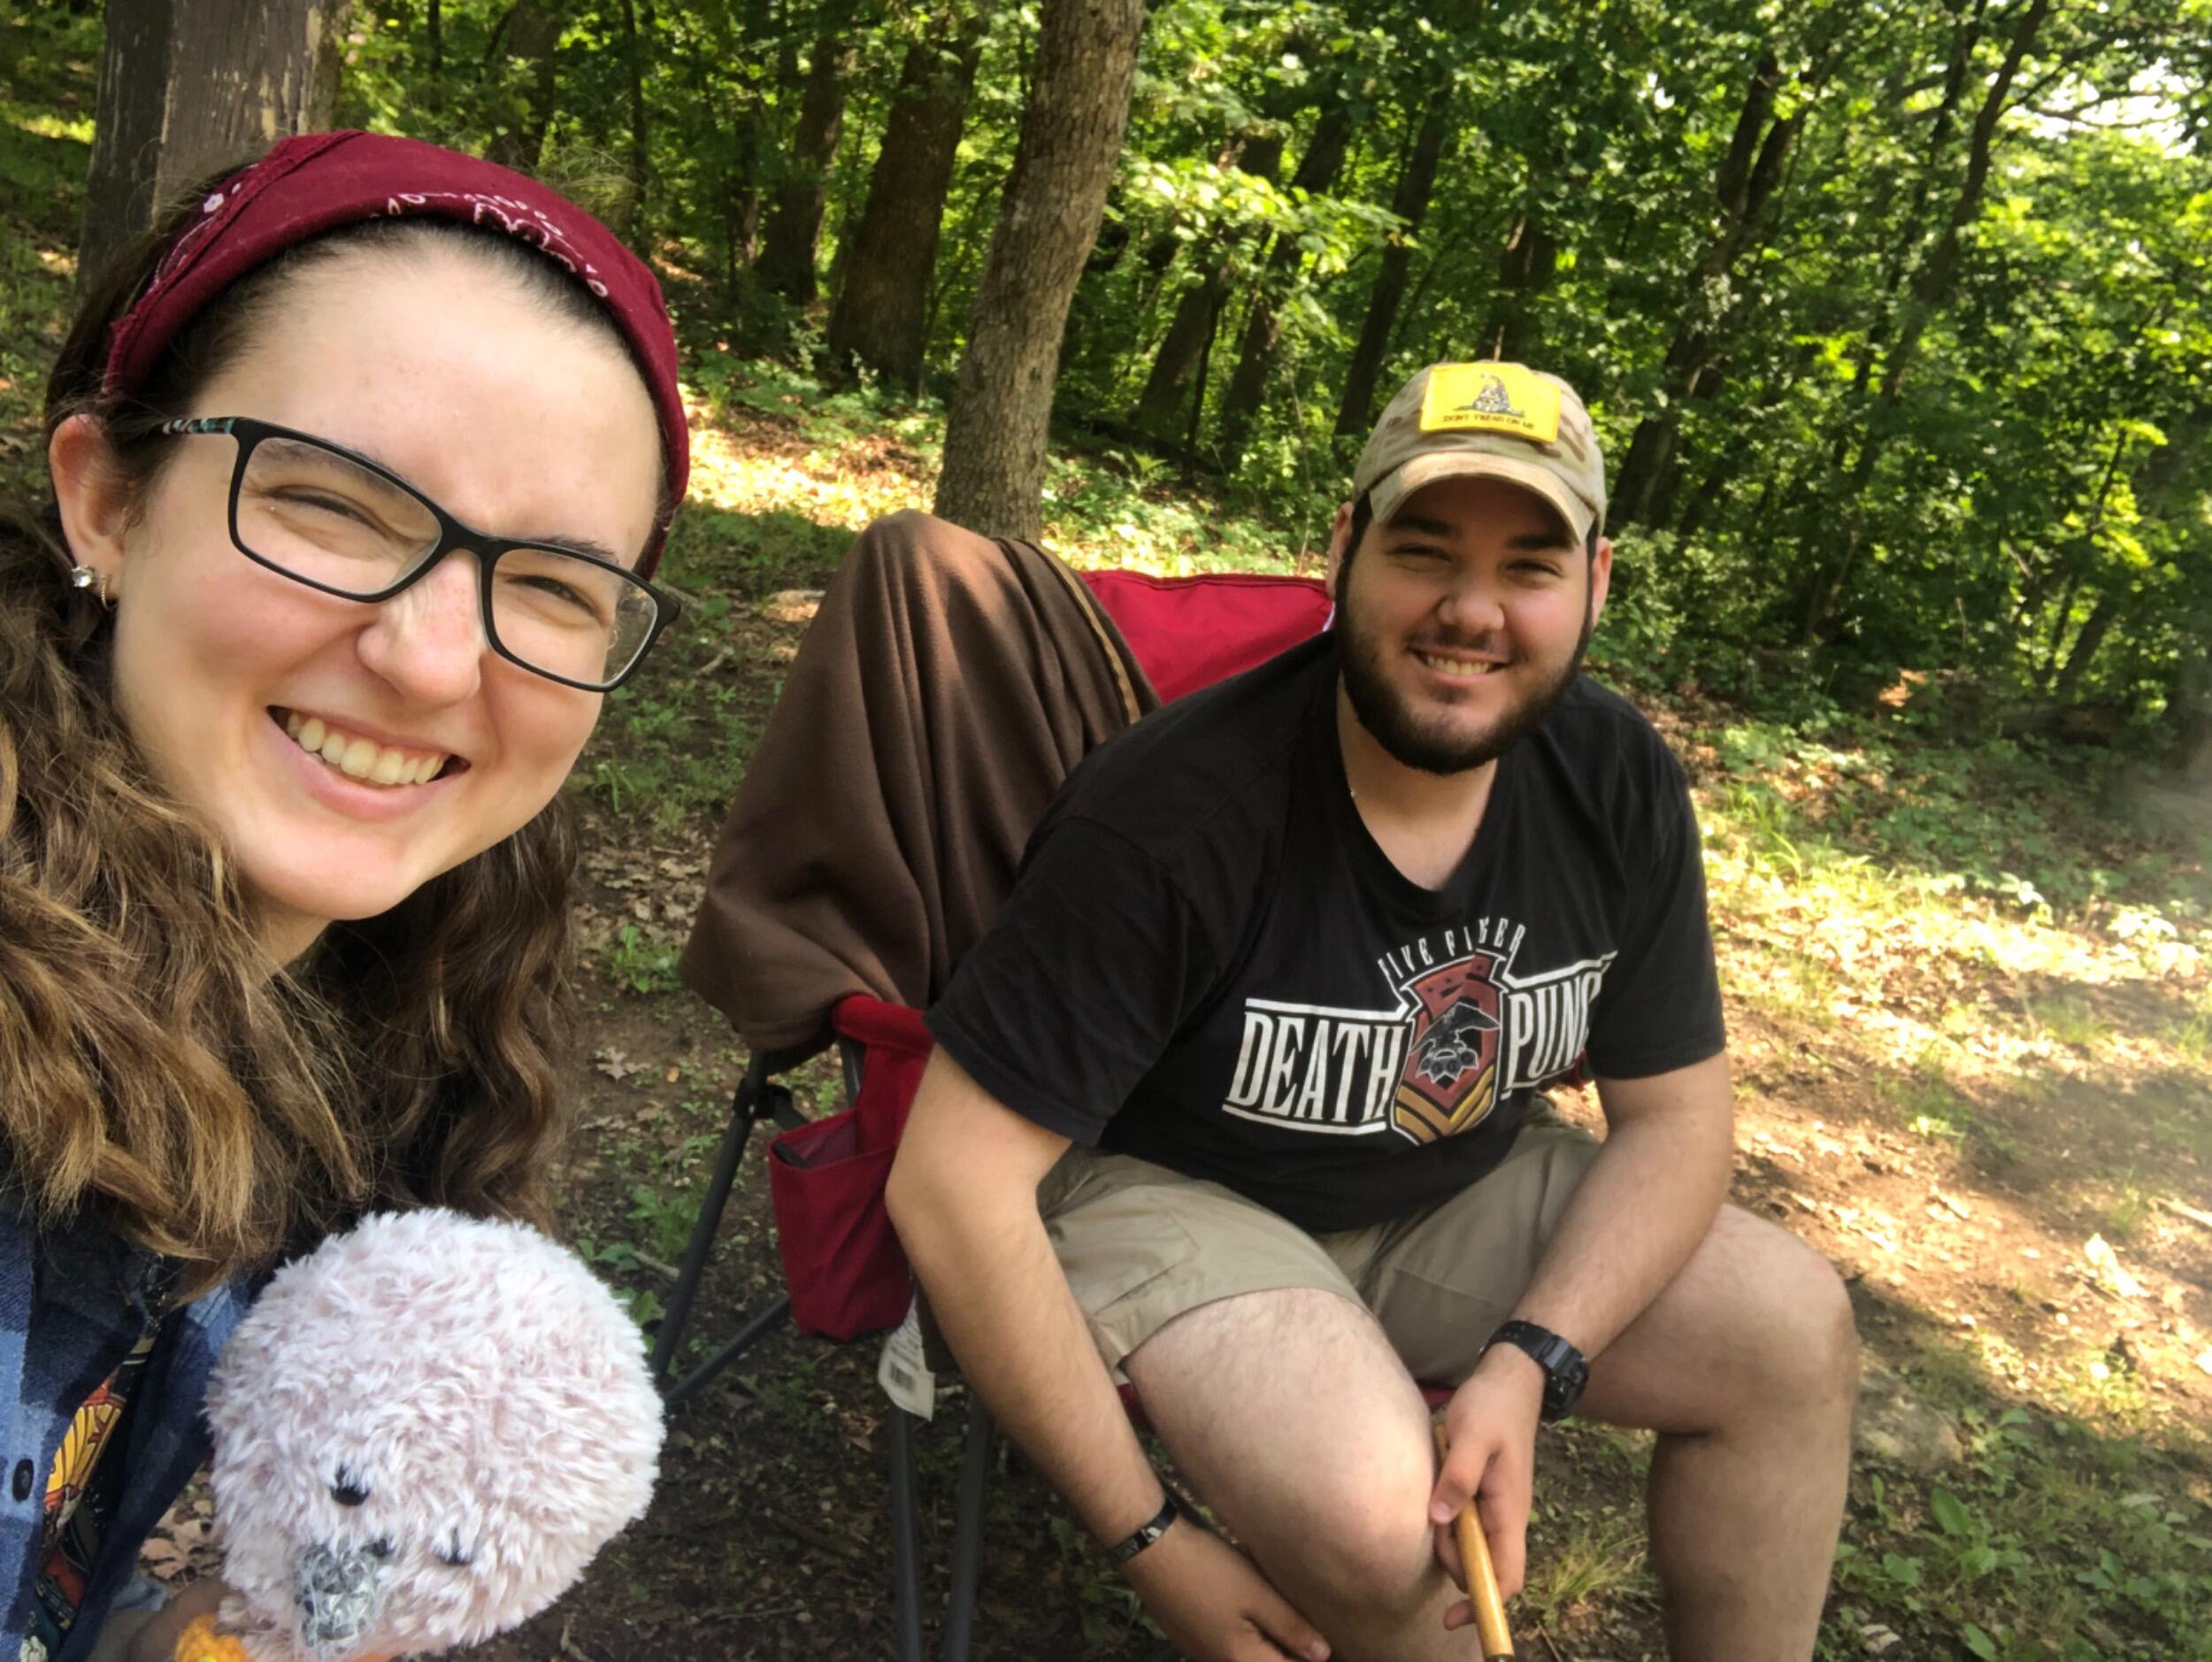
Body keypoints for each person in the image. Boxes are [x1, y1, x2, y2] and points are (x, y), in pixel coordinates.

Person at [887, 361, 1859, 1661]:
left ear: (1597, 585)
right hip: (1172, 1187)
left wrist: (1532, 1356)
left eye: (1529, 564)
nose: (1471, 610)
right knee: (1382, 1510)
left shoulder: (1614, 779)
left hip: (1445, 1184)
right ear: (1343, 549)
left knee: (1790, 1329)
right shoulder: (1174, 817)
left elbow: (1679, 1117)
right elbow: (952, 1184)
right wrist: (1150, 1539)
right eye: (1423, 549)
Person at [0, 130, 688, 1662]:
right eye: (334, 505)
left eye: (557, 586)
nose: (436, 658)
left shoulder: (376, 1019)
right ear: (106, 497)